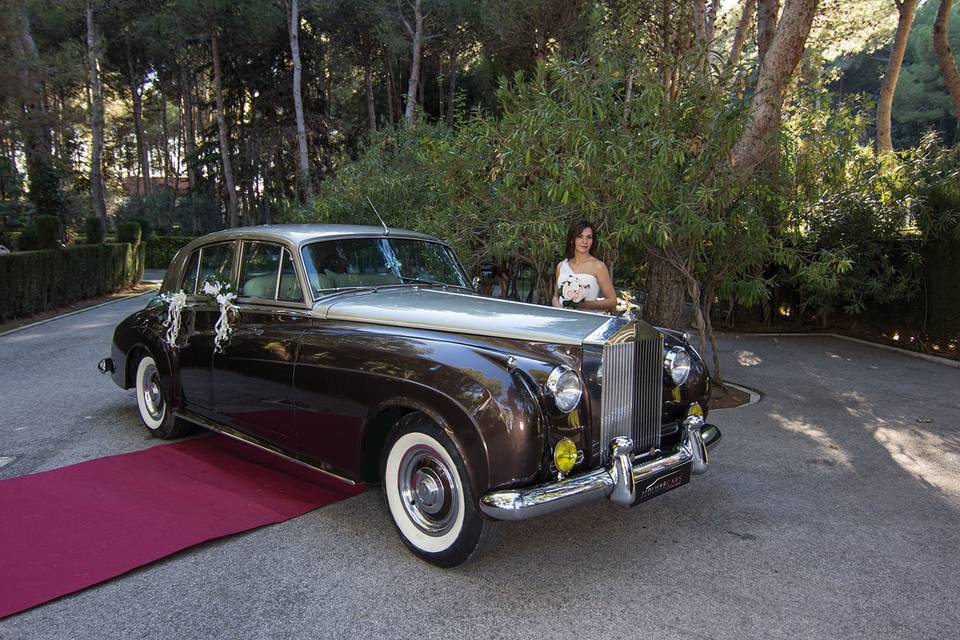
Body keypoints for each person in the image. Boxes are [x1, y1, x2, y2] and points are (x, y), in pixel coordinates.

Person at [552, 219, 617, 311]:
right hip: (563, 320)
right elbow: (555, 297)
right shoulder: (561, 266)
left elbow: (612, 301)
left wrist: (581, 304)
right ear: (571, 240)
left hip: (587, 320)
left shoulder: (598, 266)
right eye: (580, 236)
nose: (585, 241)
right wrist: (562, 311)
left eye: (589, 237)